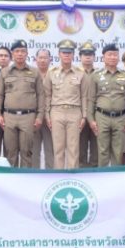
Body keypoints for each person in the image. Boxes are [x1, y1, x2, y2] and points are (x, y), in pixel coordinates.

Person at [0, 39, 44, 168]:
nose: (20, 54)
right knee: (10, 152)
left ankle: (26, 182)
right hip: (9, 117)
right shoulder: (4, 72)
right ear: (12, 53)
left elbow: (41, 95)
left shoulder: (35, 72)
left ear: (27, 53)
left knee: (26, 152)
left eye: (23, 51)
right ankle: (12, 182)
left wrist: (39, 117)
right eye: (17, 51)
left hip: (28, 117)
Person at [87, 42, 125, 166]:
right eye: (110, 55)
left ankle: (115, 181)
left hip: (120, 118)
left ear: (118, 57)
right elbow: (91, 99)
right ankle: (102, 179)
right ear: (103, 57)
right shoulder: (96, 75)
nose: (113, 57)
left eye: (115, 55)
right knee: (102, 151)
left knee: (118, 151)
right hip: (101, 117)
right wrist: (91, 119)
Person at [44, 39, 89, 169]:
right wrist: (47, 115)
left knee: (73, 149)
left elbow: (84, 96)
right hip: (56, 112)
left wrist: (84, 116)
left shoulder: (81, 73)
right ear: (59, 54)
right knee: (58, 149)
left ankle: (72, 176)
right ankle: (59, 176)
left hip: (74, 113)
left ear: (73, 54)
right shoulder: (51, 73)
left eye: (69, 52)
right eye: (64, 52)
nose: (67, 55)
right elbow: (47, 95)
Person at [32, 48, 54, 169]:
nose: (42, 60)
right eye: (40, 58)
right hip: (35, 117)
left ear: (50, 59)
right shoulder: (31, 73)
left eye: (45, 58)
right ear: (36, 60)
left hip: (50, 118)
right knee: (34, 150)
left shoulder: (55, 74)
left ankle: (50, 175)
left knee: (50, 150)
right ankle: (34, 176)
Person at [78, 41, 98, 168]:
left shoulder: (99, 73)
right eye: (85, 54)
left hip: (96, 114)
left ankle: (94, 172)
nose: (88, 56)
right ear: (80, 56)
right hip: (79, 114)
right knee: (81, 147)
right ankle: (81, 171)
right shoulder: (75, 72)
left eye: (90, 54)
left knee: (96, 148)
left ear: (94, 57)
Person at [0, 46, 11, 155]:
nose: (3, 58)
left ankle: (8, 171)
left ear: (10, 58)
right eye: (0, 56)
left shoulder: (14, 72)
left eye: (6, 56)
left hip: (10, 115)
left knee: (9, 148)